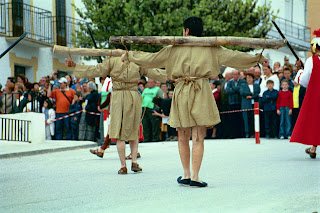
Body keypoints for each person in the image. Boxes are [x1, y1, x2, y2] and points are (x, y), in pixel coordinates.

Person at [122, 17, 266, 187]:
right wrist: (257, 58)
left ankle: (186, 174)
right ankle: (195, 176)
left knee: (182, 135)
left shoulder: (173, 48)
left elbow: (151, 59)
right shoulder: (212, 48)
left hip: (183, 89)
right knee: (198, 136)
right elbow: (234, 57)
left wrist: (129, 56)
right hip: (201, 90)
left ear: (187, 31)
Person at [65, 46, 167, 174]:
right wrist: (171, 74)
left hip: (118, 96)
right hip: (133, 96)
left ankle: (123, 166)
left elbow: (95, 70)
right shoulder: (136, 60)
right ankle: (134, 161)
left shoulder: (111, 61)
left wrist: (75, 65)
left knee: (118, 132)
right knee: (133, 130)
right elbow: (153, 72)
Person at [290, 28, 320, 158]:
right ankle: (313, 147)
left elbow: (304, 81)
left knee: (315, 120)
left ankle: (313, 148)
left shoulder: (311, 61)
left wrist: (300, 71)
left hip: (316, 95)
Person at [240, 73, 260, 138]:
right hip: (246, 104)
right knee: (246, 119)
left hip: (254, 104)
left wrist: (251, 97)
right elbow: (242, 92)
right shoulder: (243, 85)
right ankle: (247, 132)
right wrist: (251, 93)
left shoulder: (256, 85)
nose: (249, 79)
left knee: (253, 119)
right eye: (247, 78)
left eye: (250, 78)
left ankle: (253, 132)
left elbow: (257, 93)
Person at [226, 69, 243, 138]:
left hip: (240, 102)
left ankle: (240, 134)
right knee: (232, 119)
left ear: (239, 75)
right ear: (232, 75)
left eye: (236, 74)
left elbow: (241, 90)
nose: (235, 76)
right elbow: (227, 91)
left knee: (239, 119)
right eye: (234, 74)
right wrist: (236, 89)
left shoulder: (242, 81)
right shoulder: (229, 82)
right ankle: (233, 134)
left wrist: (232, 89)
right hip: (232, 103)